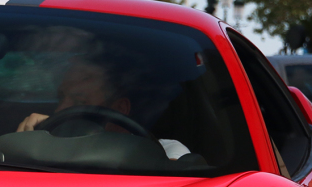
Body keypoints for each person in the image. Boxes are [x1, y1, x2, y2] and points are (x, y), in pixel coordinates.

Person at [16, 58, 190, 160]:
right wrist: (25, 147)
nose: (60, 109)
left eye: (79, 101)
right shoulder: (45, 149)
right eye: (61, 98)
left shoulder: (164, 153)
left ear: (119, 109)